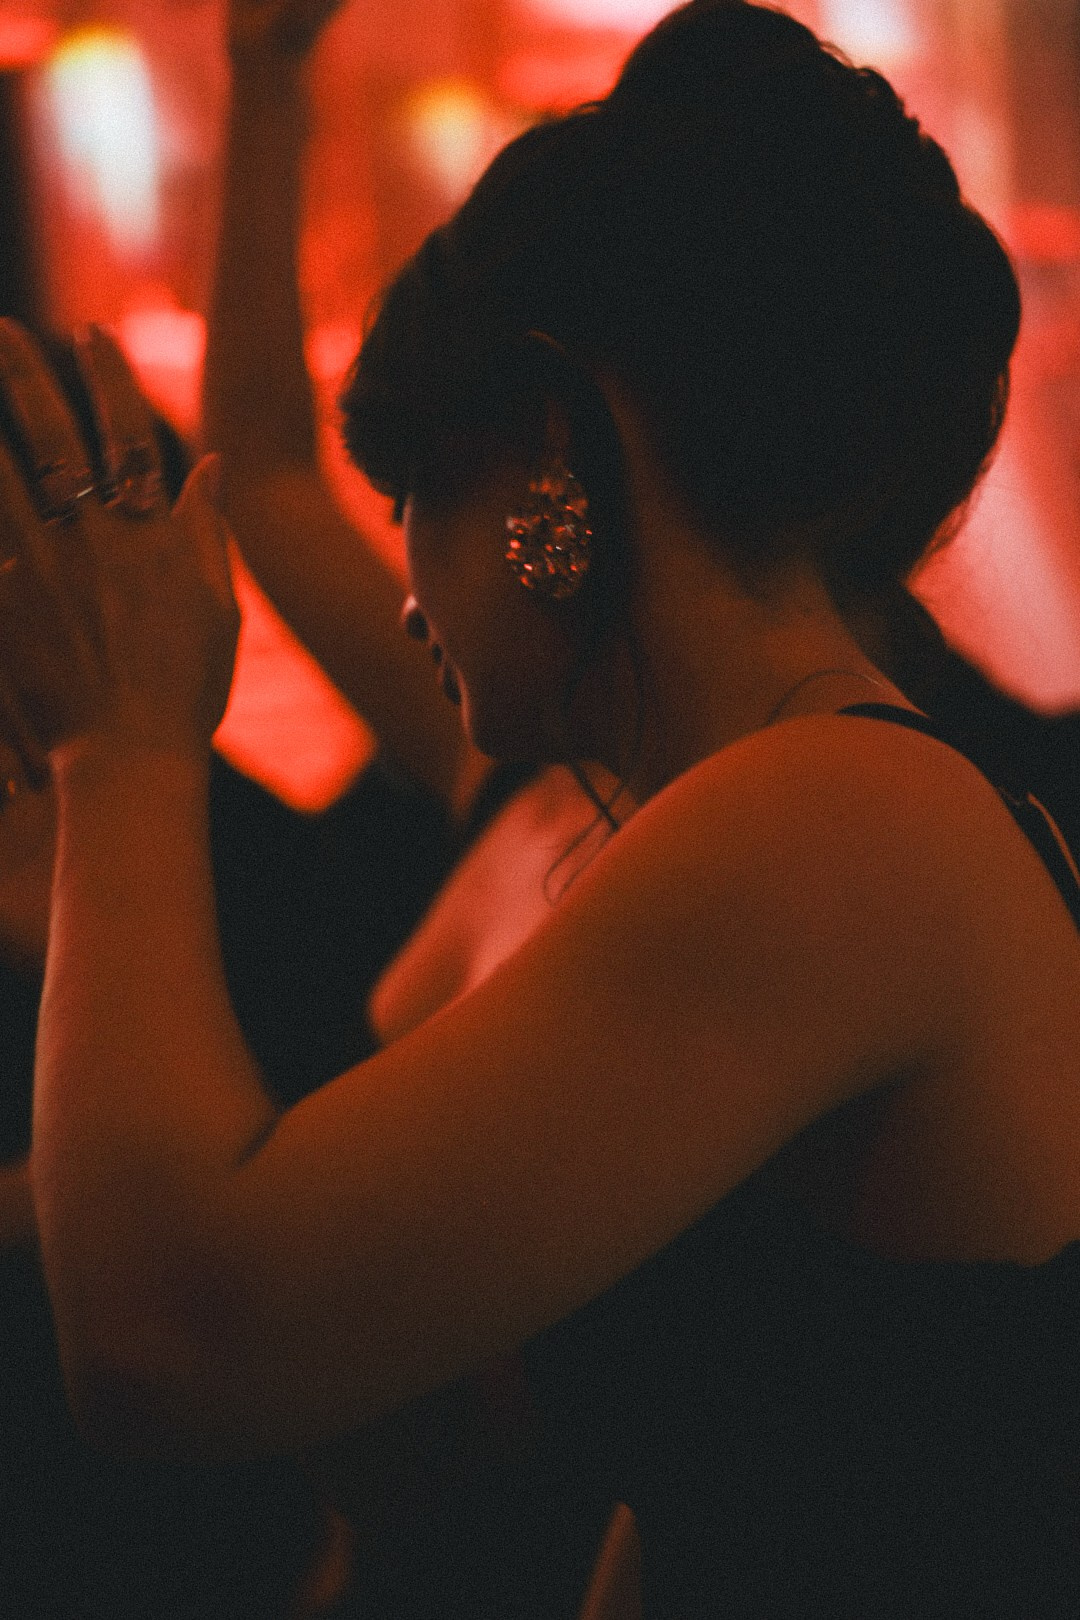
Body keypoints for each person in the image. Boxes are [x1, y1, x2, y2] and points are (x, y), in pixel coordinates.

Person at [0, 5, 1078, 1618]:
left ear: (550, 452)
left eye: (414, 492)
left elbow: (167, 1342)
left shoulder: (839, 816)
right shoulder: (745, 806)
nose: (406, 588)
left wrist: (123, 747)